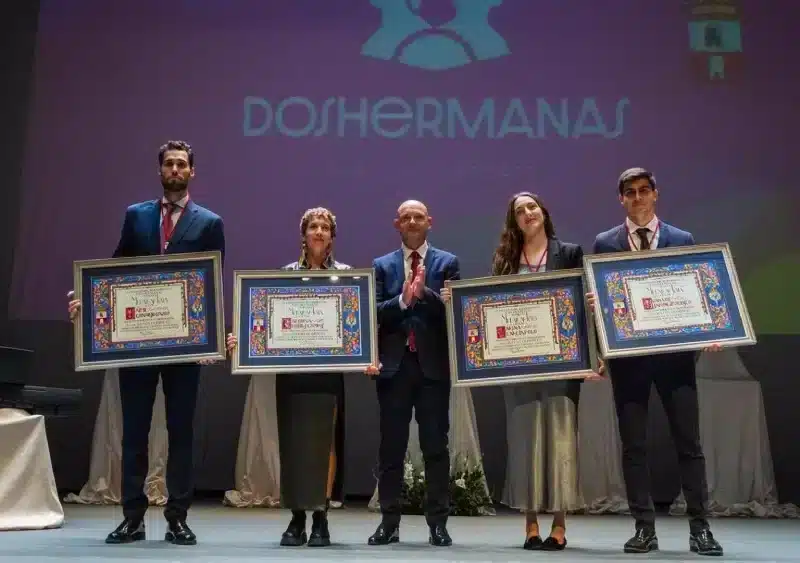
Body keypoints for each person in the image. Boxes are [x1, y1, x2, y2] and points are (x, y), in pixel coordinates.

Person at [67, 140, 225, 546]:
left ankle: (178, 518)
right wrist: (87, 302)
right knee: (134, 432)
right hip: (137, 345)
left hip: (185, 348)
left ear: (192, 172)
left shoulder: (209, 222)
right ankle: (132, 517)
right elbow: (115, 270)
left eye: (182, 164)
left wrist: (209, 340)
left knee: (181, 432)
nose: (175, 169)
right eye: (169, 164)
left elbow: (212, 284)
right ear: (160, 171)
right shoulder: (135, 216)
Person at [446, 192, 598, 550]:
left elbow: (581, 308)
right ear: (513, 221)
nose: (527, 213)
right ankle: (530, 524)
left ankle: (559, 526)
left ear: (543, 212)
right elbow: (489, 307)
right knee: (525, 438)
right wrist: (458, 304)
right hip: (516, 365)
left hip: (563, 364)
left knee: (560, 439)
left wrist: (592, 334)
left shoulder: (570, 253)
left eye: (532, 207)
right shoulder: (505, 260)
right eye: (519, 211)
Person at [587, 167, 723, 556]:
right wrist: (598, 307)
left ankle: (701, 529)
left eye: (644, 190)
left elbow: (696, 293)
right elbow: (601, 302)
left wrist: (710, 330)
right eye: (629, 192)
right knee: (634, 446)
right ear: (621, 199)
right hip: (628, 361)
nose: (637, 198)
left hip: (676, 359)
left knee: (689, 444)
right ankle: (644, 528)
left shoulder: (682, 239)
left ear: (655, 194)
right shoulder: (605, 242)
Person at [226, 207, 348, 548]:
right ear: (303, 235)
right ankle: (297, 517)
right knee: (294, 443)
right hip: (292, 376)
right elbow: (266, 325)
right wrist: (243, 340)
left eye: (325, 227)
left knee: (326, 444)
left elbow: (359, 330)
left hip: (327, 375)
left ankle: (321, 517)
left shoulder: (347, 277)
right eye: (313, 226)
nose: (319, 232)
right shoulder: (285, 275)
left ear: (332, 236)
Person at [365, 200, 460, 547]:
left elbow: (454, 311)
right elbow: (373, 312)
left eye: (418, 216)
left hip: (433, 370)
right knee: (391, 449)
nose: (412, 221)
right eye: (406, 217)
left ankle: (438, 524)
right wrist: (403, 301)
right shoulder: (382, 266)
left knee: (436, 448)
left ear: (429, 222)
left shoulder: (448, 262)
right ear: (397, 224)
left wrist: (426, 294)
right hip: (394, 369)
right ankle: (389, 523)